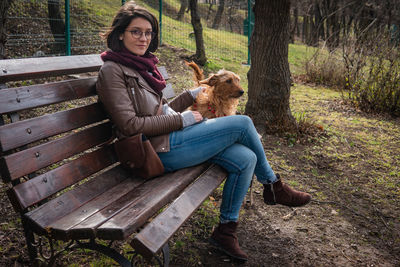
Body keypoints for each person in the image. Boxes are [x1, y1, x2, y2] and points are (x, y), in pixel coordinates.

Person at [96, 1, 311, 262]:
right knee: (242, 123)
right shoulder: (112, 71)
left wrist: (189, 96)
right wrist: (182, 121)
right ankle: (273, 185)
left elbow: (158, 111)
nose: (144, 38)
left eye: (148, 32)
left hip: (169, 140)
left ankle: (225, 230)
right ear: (120, 34)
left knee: (247, 159)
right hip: (153, 151)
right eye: (136, 32)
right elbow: (130, 125)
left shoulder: (141, 65)